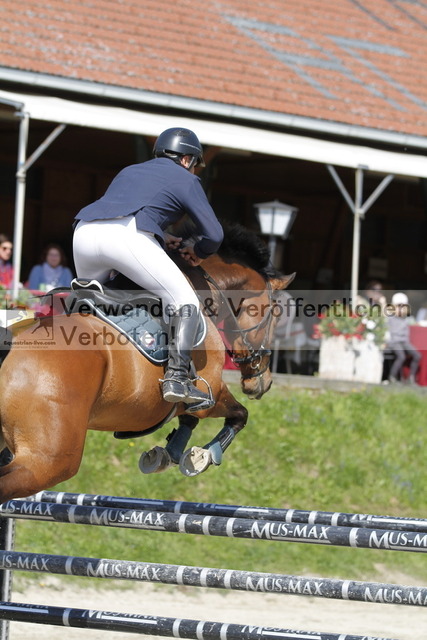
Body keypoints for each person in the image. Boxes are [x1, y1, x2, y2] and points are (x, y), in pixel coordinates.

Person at [73, 127, 224, 408]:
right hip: (126, 238)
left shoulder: (130, 170)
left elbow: (125, 210)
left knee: (93, 304)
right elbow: (214, 235)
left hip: (83, 233)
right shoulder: (187, 178)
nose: (193, 170)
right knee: (186, 302)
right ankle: (177, 378)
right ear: (187, 160)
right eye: (194, 164)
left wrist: (161, 236)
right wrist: (199, 251)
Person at [386, 292, 421, 384]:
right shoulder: (390, 317)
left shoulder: (406, 318)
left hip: (404, 341)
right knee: (401, 357)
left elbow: (414, 323)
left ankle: (410, 378)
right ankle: (392, 377)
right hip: (394, 341)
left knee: (417, 355)